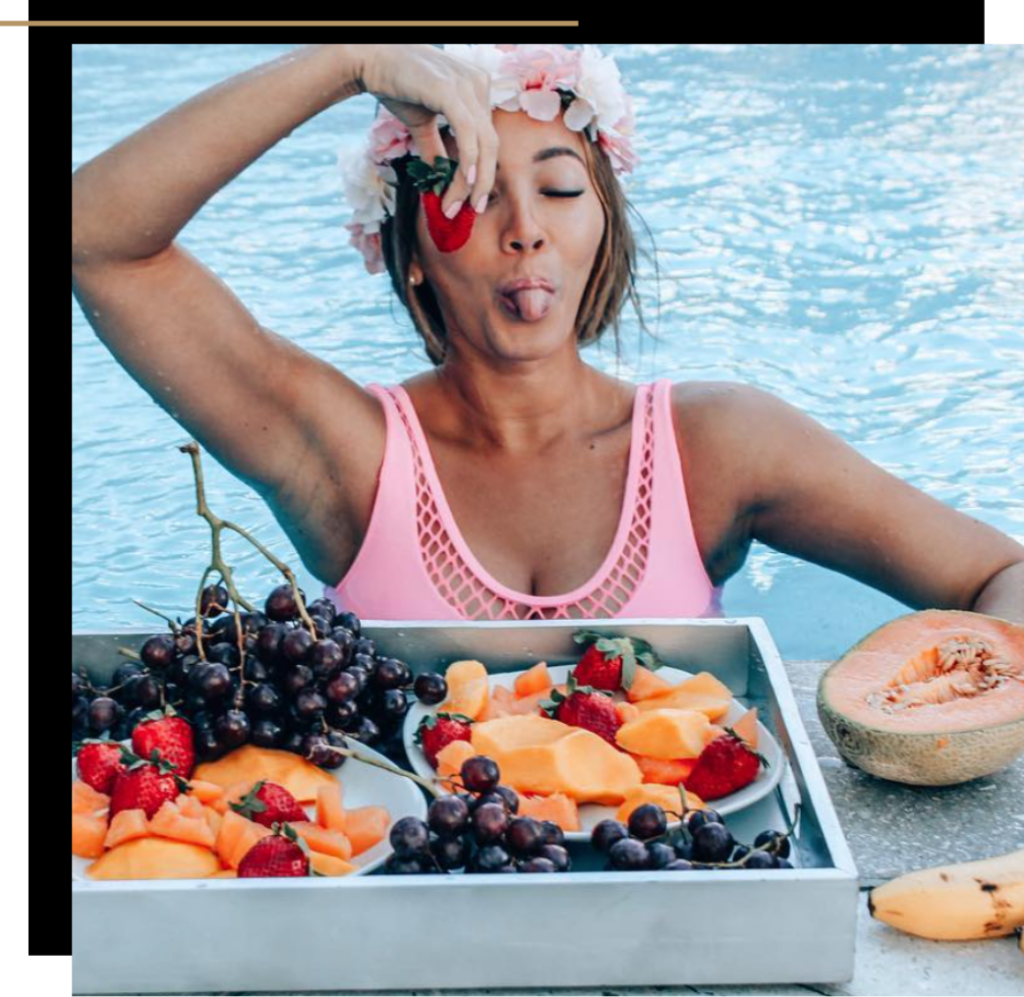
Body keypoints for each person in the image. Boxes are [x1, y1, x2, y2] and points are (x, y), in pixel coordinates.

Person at [72, 44, 1024, 625]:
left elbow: (1001, 576)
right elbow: (89, 238)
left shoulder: (716, 446)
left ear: (600, 223)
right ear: (411, 254)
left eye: (562, 189)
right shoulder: (348, 452)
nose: (525, 226)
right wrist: (346, 61)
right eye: (476, 193)